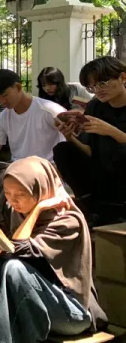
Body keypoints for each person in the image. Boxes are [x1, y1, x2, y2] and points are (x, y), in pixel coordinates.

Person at [0, 157, 106, 343]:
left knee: (15, 269)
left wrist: (39, 209)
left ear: (41, 191)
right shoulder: (19, 214)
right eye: (7, 193)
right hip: (37, 299)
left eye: (20, 194)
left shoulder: (67, 220)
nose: (12, 201)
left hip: (72, 311)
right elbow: (19, 252)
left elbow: (22, 247)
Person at [54, 57, 126, 226]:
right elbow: (91, 152)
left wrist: (112, 132)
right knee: (63, 150)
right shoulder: (95, 106)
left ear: (123, 78)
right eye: (92, 87)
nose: (98, 90)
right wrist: (69, 136)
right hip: (104, 175)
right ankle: (93, 207)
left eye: (103, 83)